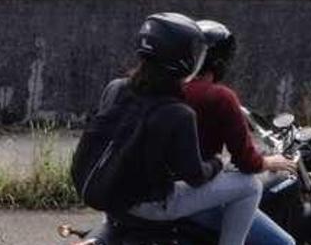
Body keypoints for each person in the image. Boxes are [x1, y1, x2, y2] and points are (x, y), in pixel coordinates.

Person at [96, 13, 264, 245]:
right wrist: (218, 163)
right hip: (152, 203)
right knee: (250, 185)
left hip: (113, 194)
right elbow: (196, 176)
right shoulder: (179, 110)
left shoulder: (118, 89)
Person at [185, 20, 296, 245]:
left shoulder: (164, 88)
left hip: (160, 189)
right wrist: (271, 161)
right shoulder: (219, 97)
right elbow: (247, 162)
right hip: (195, 194)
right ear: (220, 62)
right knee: (283, 243)